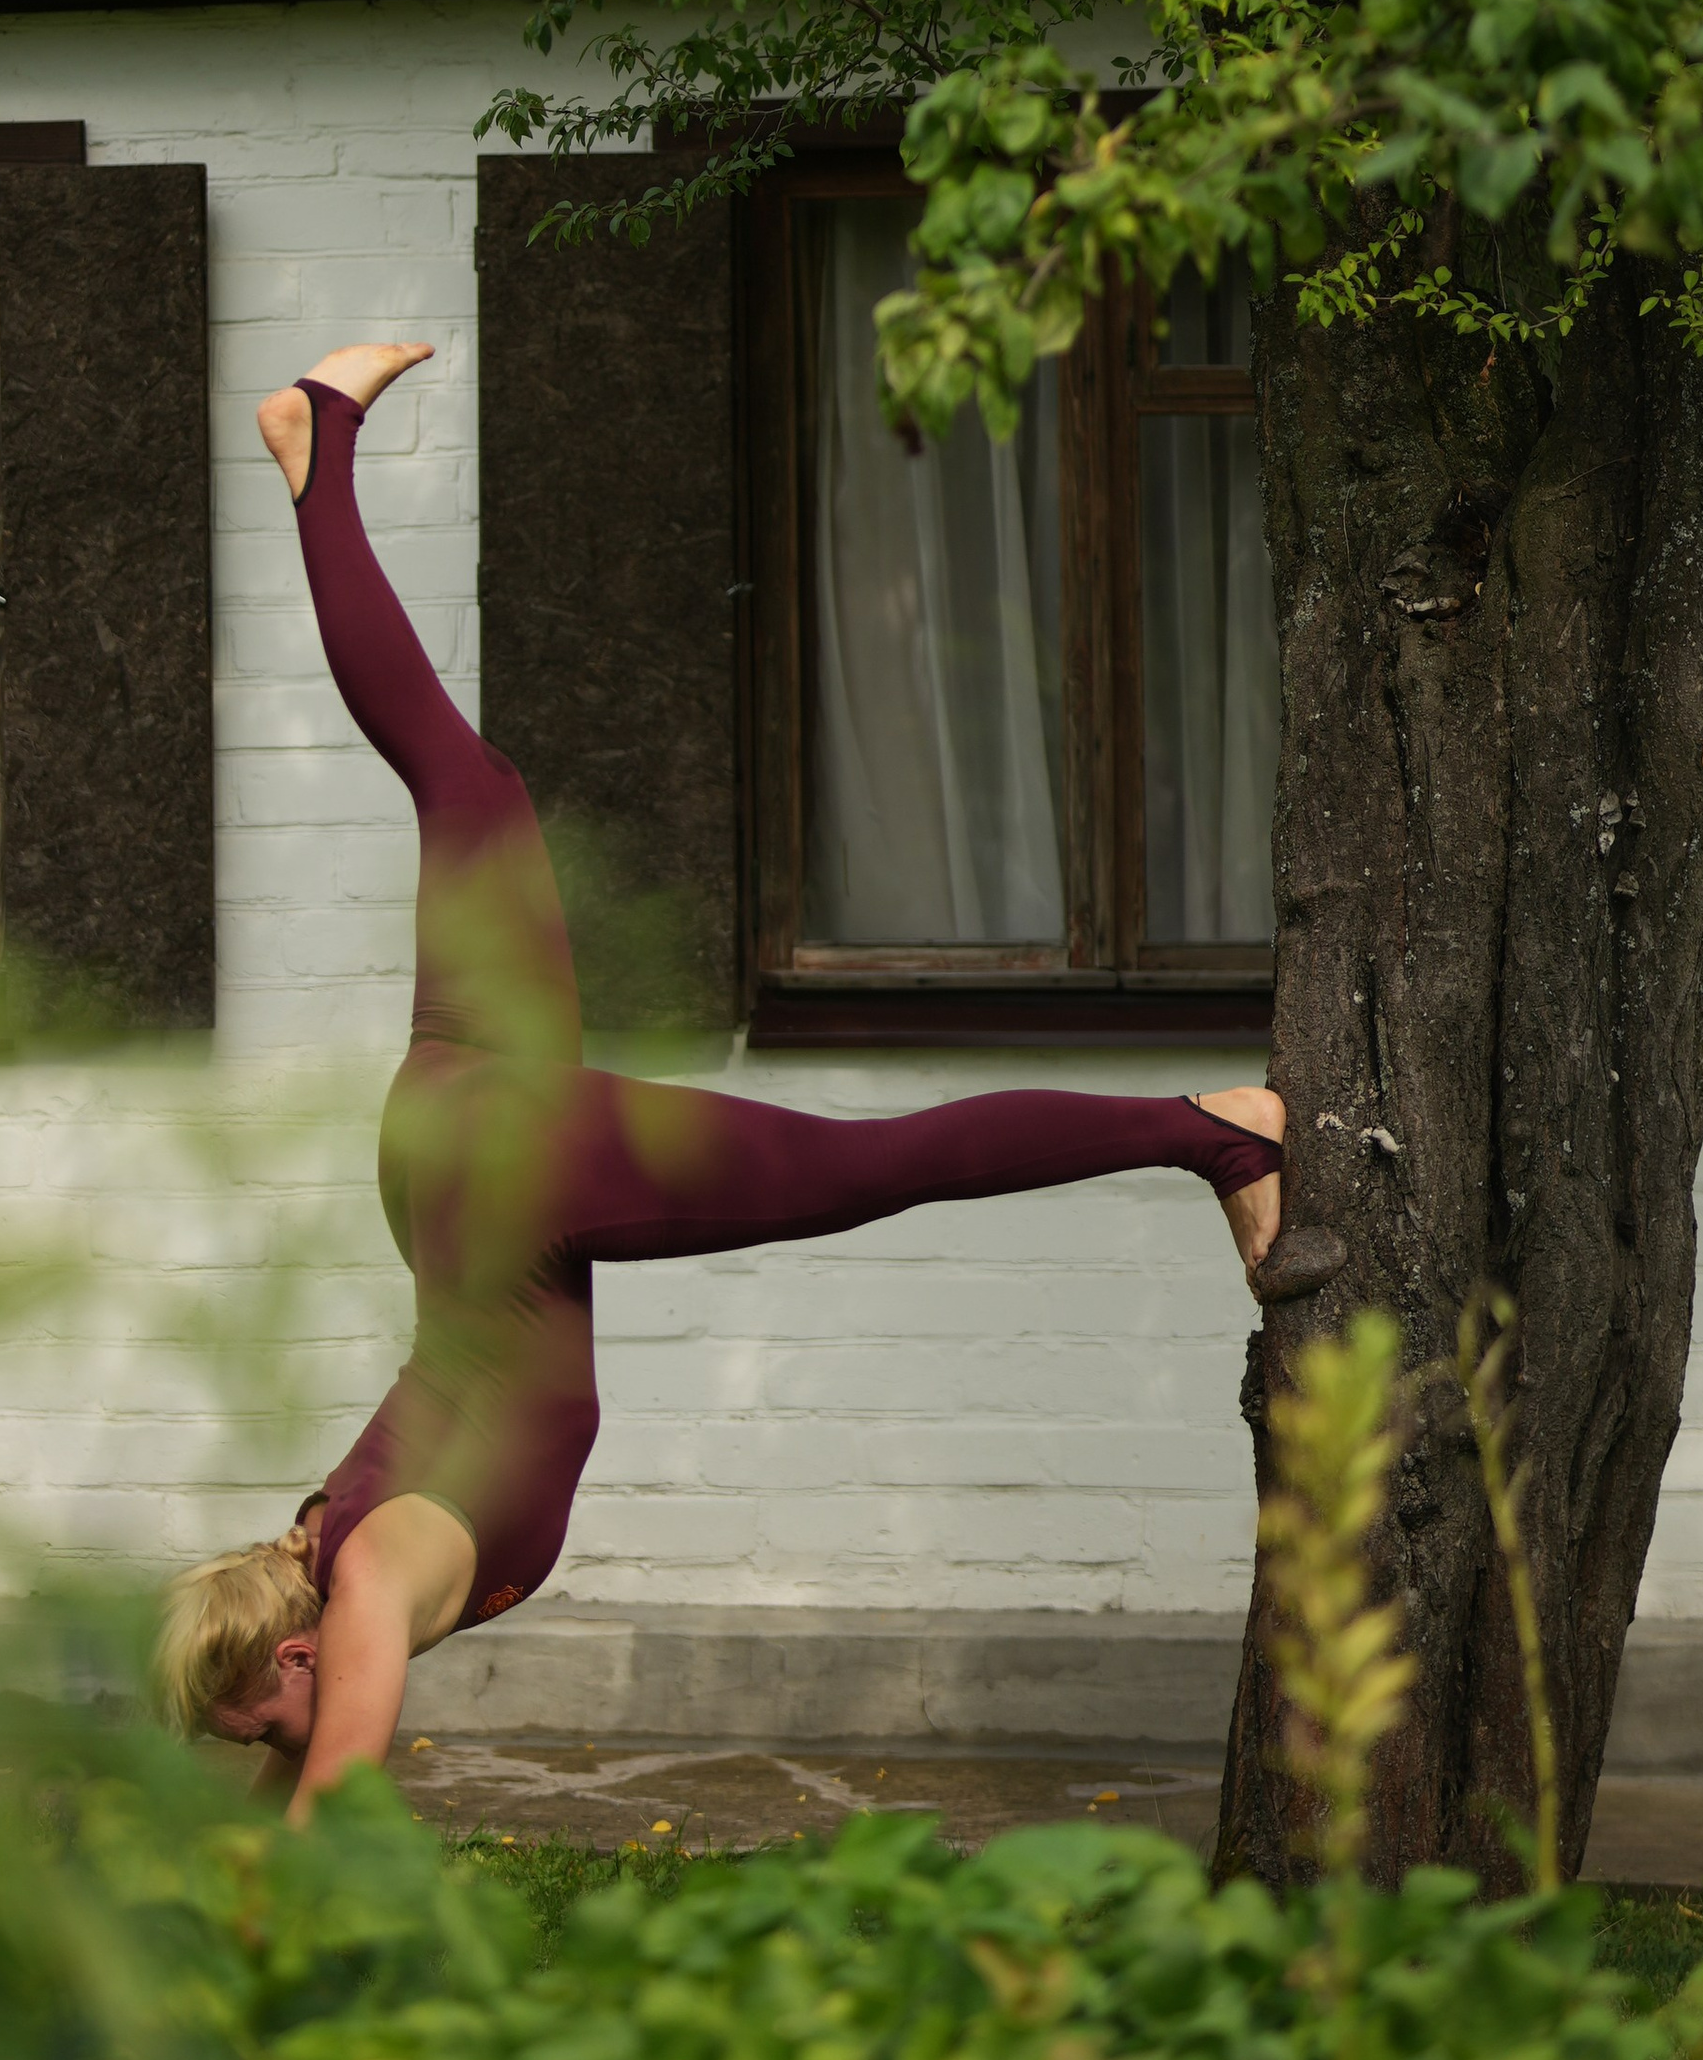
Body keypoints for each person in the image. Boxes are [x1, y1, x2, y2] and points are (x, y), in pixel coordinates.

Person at [155, 343, 1337, 1817]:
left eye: (254, 1724)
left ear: (287, 1659)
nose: (270, 1747)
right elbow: (306, 1756)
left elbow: (331, 1789)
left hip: (513, 1177)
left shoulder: (374, 1575)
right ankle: (315, 444)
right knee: (472, 792)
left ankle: (1212, 1135)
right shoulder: (319, 1547)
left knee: (867, 1165)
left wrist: (235, 1963)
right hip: (446, 1138)